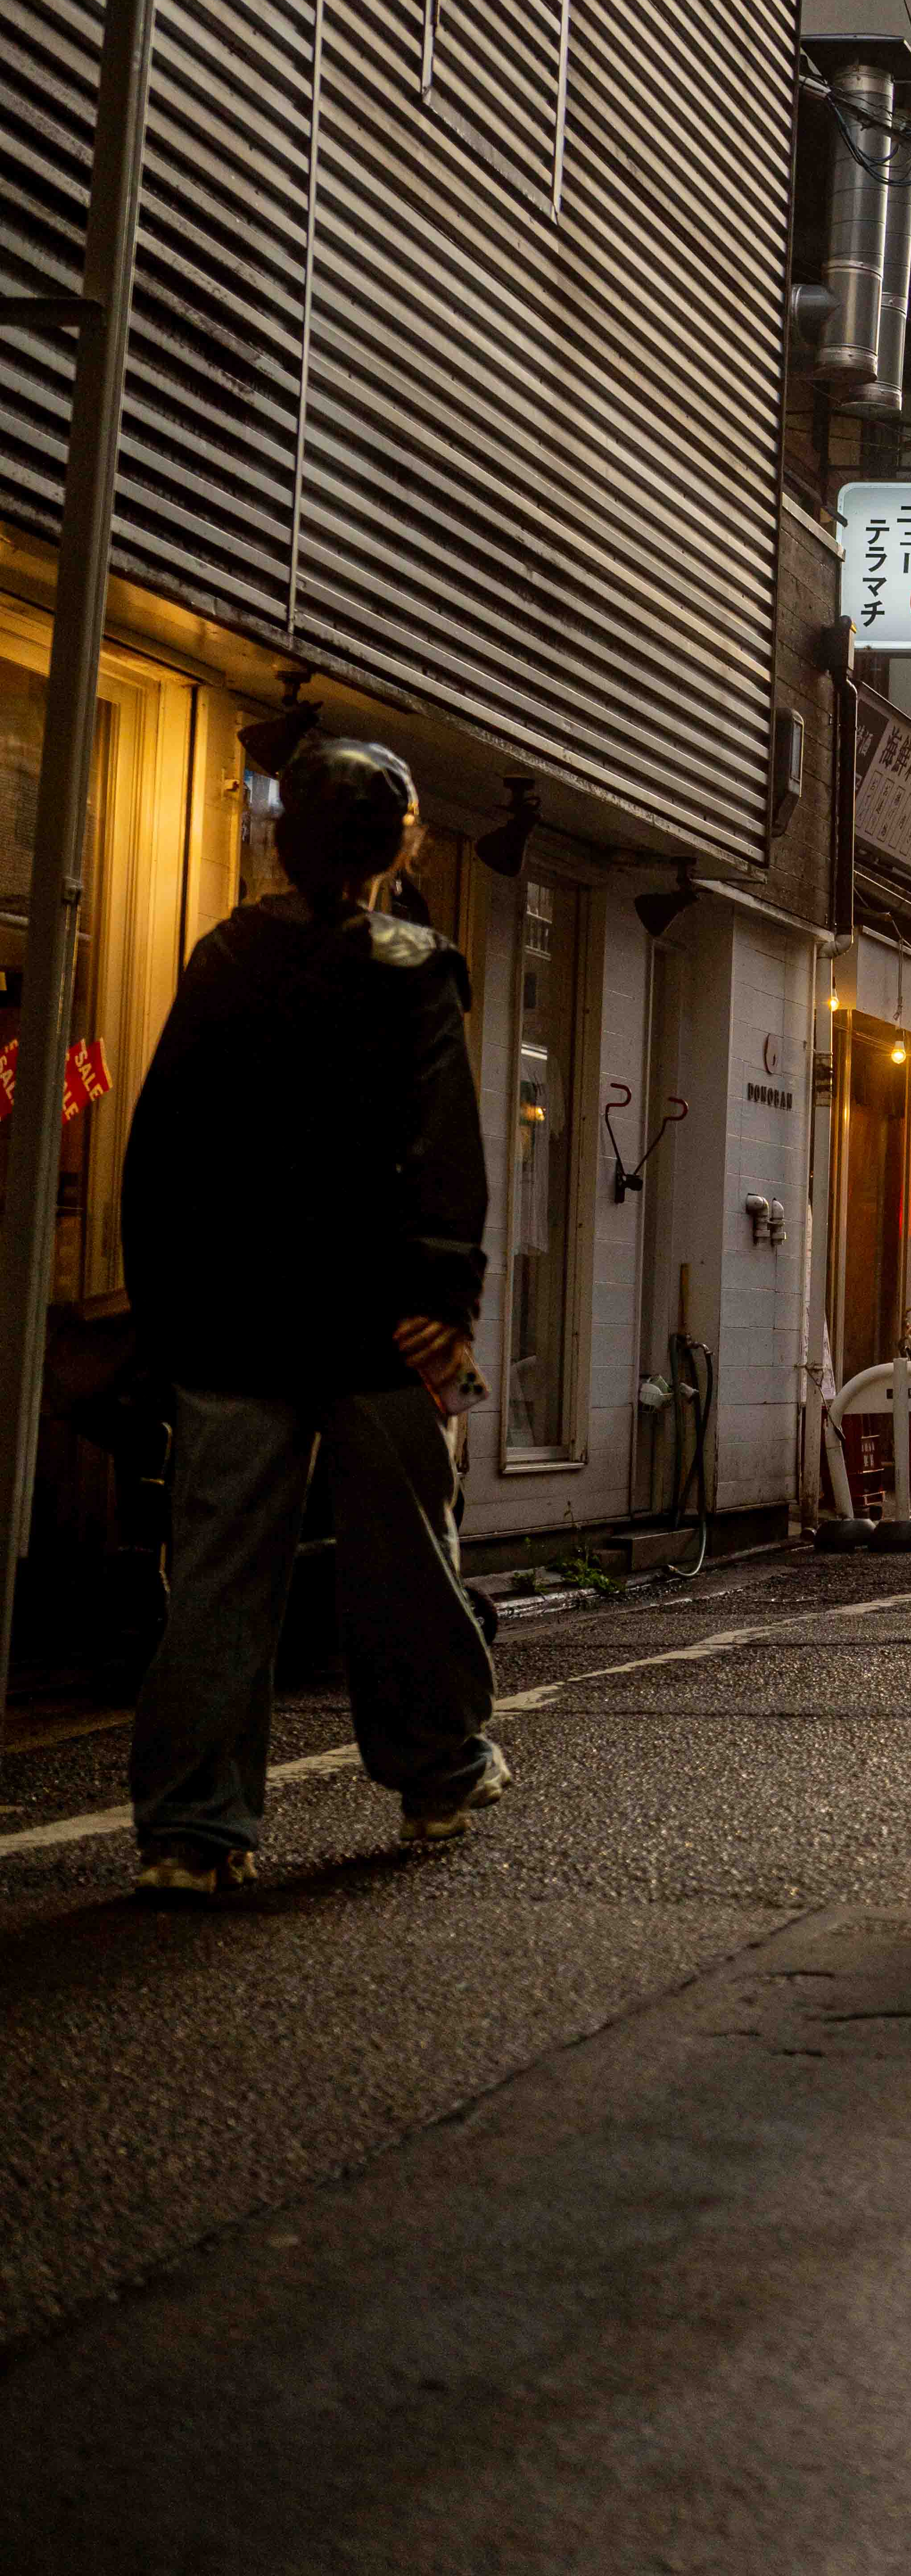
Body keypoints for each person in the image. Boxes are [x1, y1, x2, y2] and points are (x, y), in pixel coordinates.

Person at [123, 740, 501, 1900]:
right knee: (405, 1560)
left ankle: (196, 1832)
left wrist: (168, 1312)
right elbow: (444, 1154)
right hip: (380, 1327)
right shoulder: (414, 970)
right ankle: (436, 1776)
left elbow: (163, 1151)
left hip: (232, 1323)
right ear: (398, 849)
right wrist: (445, 1300)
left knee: (221, 1573)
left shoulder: (223, 959)